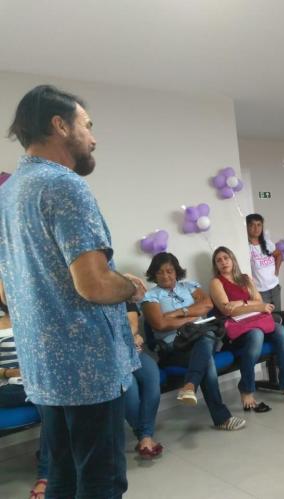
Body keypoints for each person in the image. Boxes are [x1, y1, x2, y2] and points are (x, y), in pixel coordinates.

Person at [0, 85, 147, 498]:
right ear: (60, 125)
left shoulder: (8, 194)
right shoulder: (64, 185)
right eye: (87, 125)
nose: (93, 137)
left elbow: (10, 290)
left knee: (62, 474)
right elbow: (95, 284)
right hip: (87, 368)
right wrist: (132, 287)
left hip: (43, 366)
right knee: (101, 480)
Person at [142, 252, 245, 431]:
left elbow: (207, 305)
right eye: (160, 272)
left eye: (169, 271)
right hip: (174, 347)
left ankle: (190, 386)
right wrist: (191, 317)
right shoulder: (151, 296)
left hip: (201, 338)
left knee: (204, 339)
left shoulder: (189, 286)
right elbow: (159, 324)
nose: (165, 275)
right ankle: (220, 417)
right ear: (154, 274)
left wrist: (176, 314)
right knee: (207, 359)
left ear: (176, 272)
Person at [210, 246, 284, 411]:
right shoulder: (216, 282)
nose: (223, 262)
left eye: (226, 258)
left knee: (283, 332)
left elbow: (259, 301)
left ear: (232, 259)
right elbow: (227, 310)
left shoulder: (245, 279)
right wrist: (255, 306)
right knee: (256, 335)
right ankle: (246, 389)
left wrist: (242, 303)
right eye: (219, 260)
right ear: (216, 265)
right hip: (237, 329)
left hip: (256, 321)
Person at [0, 297, 49, 499]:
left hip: (35, 383)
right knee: (49, 404)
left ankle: (48, 468)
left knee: (52, 406)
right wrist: (8, 373)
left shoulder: (31, 318)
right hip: (7, 387)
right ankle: (47, 472)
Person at [124, 302, 163, 459]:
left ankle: (144, 436)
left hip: (134, 353)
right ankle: (145, 437)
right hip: (111, 359)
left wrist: (132, 336)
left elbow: (133, 325)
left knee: (151, 376)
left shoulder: (122, 296)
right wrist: (130, 338)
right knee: (130, 389)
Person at [247, 213, 282, 310]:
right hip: (260, 291)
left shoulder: (267, 243)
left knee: (279, 316)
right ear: (247, 227)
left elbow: (279, 254)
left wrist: (277, 271)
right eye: (252, 225)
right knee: (266, 319)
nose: (256, 228)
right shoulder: (246, 246)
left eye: (259, 225)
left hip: (274, 287)